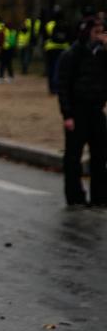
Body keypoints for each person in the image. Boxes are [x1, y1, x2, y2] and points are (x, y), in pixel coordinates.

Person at [56, 14, 107, 206]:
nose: (99, 36)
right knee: (73, 157)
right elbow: (63, 86)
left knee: (101, 155)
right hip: (78, 111)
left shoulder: (101, 54)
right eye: (96, 32)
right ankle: (75, 195)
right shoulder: (72, 55)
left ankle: (100, 195)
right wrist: (67, 114)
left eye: (102, 31)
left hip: (96, 109)